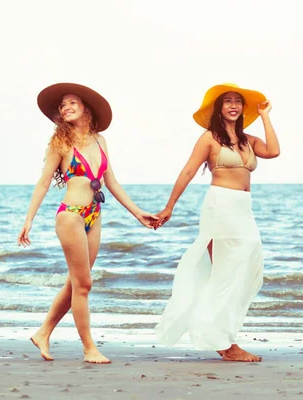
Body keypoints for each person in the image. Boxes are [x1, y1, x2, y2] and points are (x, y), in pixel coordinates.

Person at [17, 83, 156, 364]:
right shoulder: (60, 143)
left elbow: (112, 182)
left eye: (71, 103)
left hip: (95, 214)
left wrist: (138, 213)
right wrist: (28, 219)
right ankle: (89, 348)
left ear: (85, 109)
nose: (66, 107)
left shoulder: (100, 141)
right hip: (71, 215)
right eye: (62, 106)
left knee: (76, 283)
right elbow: (44, 181)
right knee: (84, 285)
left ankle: (43, 332)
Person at [154, 83, 280, 362]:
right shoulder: (209, 138)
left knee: (247, 269)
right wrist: (169, 206)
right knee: (225, 272)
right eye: (228, 102)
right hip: (220, 206)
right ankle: (224, 343)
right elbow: (188, 171)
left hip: (244, 209)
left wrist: (266, 115)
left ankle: (218, 332)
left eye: (238, 102)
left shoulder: (248, 140)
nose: (233, 106)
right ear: (219, 109)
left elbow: (273, 151)